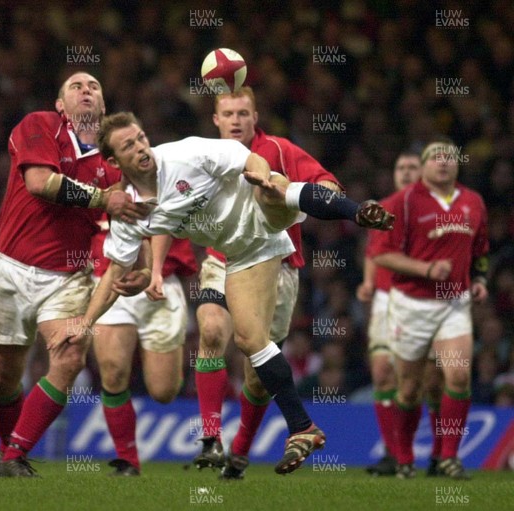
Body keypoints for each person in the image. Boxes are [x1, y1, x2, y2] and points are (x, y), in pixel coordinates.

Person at [47, 111, 394, 474]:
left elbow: (249, 157)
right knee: (249, 340)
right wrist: (84, 322)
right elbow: (114, 272)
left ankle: (358, 212)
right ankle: (303, 428)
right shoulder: (132, 210)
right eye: (128, 146)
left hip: (261, 213)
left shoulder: (186, 153)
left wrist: (260, 174)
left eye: (140, 138)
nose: (141, 148)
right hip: (242, 255)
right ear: (114, 161)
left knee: (274, 190)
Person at [162, 87, 342, 479]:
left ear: (255, 116)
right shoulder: (205, 156)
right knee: (210, 329)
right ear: (215, 119)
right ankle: (212, 440)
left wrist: (309, 197)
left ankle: (240, 451)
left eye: (243, 112)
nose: (236, 120)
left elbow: (329, 186)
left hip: (278, 266)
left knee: (257, 377)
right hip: (222, 259)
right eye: (228, 113)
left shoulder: (278, 150)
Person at [0, 72, 148, 477]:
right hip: (10, 269)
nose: (86, 90)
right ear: (61, 105)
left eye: (94, 86)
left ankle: (12, 456)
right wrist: (103, 199)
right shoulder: (38, 125)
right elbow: (40, 183)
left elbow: (126, 224)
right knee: (4, 377)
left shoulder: (114, 167)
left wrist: (143, 269)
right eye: (75, 87)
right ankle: (7, 448)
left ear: (104, 107)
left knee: (71, 355)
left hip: (67, 278)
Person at [372, 138, 489, 479]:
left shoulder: (473, 202)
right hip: (411, 304)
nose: (443, 162)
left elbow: (480, 250)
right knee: (409, 388)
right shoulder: (403, 202)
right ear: (423, 166)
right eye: (435, 158)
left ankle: (449, 457)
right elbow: (382, 254)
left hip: (453, 303)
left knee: (457, 374)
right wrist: (425, 269)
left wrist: (479, 279)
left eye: (450, 157)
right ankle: (405, 458)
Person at [357, 151, 444, 476]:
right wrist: (367, 282)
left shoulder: (438, 210)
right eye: (400, 167)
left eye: (412, 167)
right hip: (386, 298)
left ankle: (438, 456)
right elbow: (373, 251)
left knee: (432, 380)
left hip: (426, 300)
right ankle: (394, 455)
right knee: (382, 373)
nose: (406, 172)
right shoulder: (384, 208)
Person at [91, 220, 197, 476]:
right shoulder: (99, 181)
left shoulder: (169, 180)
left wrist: (154, 268)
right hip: (110, 278)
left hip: (162, 283)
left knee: (164, 391)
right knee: (113, 371)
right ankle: (127, 460)